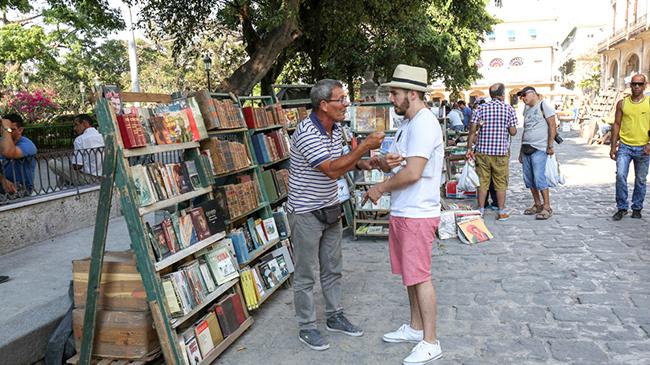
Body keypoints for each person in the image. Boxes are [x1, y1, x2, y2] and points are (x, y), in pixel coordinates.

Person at [287, 79, 385, 351]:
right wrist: (364, 146)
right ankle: (306, 326)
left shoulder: (336, 128)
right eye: (340, 99)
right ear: (323, 105)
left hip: (330, 206)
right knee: (306, 273)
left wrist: (373, 162)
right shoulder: (307, 132)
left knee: (332, 267)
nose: (346, 104)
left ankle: (334, 316)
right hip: (306, 211)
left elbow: (348, 159)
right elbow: (332, 169)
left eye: (345, 99)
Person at [365, 64, 445, 365]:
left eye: (394, 93)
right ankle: (415, 328)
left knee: (420, 277)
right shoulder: (409, 124)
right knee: (411, 276)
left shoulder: (424, 123)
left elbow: (413, 172)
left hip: (416, 212)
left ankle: (431, 340)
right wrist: (386, 163)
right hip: (405, 210)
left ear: (412, 94)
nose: (391, 98)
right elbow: (401, 164)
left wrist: (379, 188)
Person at [466, 83, 518, 220]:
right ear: (502, 94)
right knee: (500, 182)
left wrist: (469, 149)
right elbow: (513, 132)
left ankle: (481, 210)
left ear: (490, 95)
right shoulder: (509, 109)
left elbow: (472, 131)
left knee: (482, 181)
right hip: (501, 152)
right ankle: (501, 211)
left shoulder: (480, 108)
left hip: (482, 152)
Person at [610, 73, 650, 220]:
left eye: (640, 84)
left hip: (644, 148)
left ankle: (637, 208)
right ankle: (621, 207)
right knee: (620, 176)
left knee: (640, 179)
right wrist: (613, 146)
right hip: (625, 146)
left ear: (645, 86)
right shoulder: (622, 103)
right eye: (634, 84)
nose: (637, 87)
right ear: (630, 85)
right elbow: (616, 124)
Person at [517, 86, 557, 220]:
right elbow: (526, 129)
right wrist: (521, 150)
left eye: (524, 95)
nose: (523, 98)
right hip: (527, 147)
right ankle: (537, 204)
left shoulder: (544, 105)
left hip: (540, 147)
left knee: (539, 177)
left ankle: (547, 207)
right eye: (521, 96)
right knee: (529, 179)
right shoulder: (526, 109)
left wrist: (550, 145)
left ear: (533, 94)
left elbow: (552, 125)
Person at [48, 114, 105, 186]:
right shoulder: (102, 136)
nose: (75, 128)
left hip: (88, 179)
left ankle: (59, 188)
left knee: (52, 163)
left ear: (85, 123)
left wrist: (73, 164)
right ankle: (60, 186)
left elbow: (77, 166)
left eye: (76, 125)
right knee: (65, 173)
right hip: (103, 177)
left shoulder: (80, 139)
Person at [1, 114, 37, 195]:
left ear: (20, 130)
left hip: (21, 189)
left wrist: (6, 128)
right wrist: (2, 179)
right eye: (2, 128)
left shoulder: (27, 145)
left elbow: (9, 152)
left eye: (11, 129)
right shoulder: (2, 142)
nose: (4, 132)